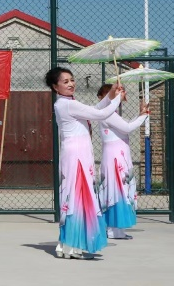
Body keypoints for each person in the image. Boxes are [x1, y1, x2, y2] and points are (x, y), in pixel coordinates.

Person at [46, 67, 121, 260]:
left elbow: (93, 110)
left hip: (79, 153)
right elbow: (100, 114)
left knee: (77, 198)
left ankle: (69, 245)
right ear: (55, 87)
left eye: (72, 80)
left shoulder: (67, 103)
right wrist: (117, 99)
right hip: (77, 155)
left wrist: (111, 95)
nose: (71, 84)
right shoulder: (67, 104)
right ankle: (71, 245)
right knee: (76, 198)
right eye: (65, 82)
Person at [95, 84, 149, 240]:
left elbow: (125, 127)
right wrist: (143, 116)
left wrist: (140, 114)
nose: (122, 92)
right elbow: (127, 128)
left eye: (122, 90)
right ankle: (113, 229)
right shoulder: (107, 113)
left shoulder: (111, 113)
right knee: (116, 189)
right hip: (115, 157)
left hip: (119, 155)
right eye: (118, 91)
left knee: (120, 189)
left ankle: (116, 229)